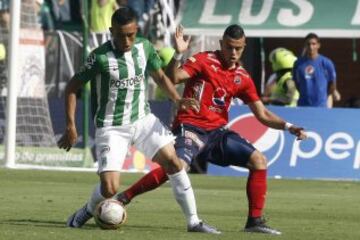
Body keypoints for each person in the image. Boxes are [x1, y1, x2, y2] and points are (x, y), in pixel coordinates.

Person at [115, 24, 307, 235]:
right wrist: (179, 53)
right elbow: (173, 78)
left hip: (217, 133)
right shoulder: (204, 60)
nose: (233, 53)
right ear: (221, 44)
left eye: (238, 49)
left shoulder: (242, 77)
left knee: (259, 160)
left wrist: (288, 126)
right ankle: (125, 197)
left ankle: (254, 222)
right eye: (229, 47)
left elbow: (262, 114)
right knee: (177, 166)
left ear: (244, 47)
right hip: (191, 126)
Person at [58, 7, 219, 234]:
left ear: (137, 31)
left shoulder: (144, 47)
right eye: (121, 35)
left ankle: (194, 222)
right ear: (111, 31)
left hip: (142, 119)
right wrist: (70, 125)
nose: (126, 40)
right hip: (111, 127)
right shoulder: (99, 57)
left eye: (131, 34)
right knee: (110, 187)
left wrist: (177, 99)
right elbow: (72, 88)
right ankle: (87, 210)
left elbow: (160, 76)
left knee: (174, 163)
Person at [293, 33, 341, 107]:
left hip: (321, 105)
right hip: (303, 105)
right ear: (305, 46)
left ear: (318, 45)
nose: (311, 47)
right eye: (308, 44)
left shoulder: (326, 63)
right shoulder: (298, 64)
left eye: (313, 44)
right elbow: (296, 83)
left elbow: (332, 83)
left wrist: (325, 96)